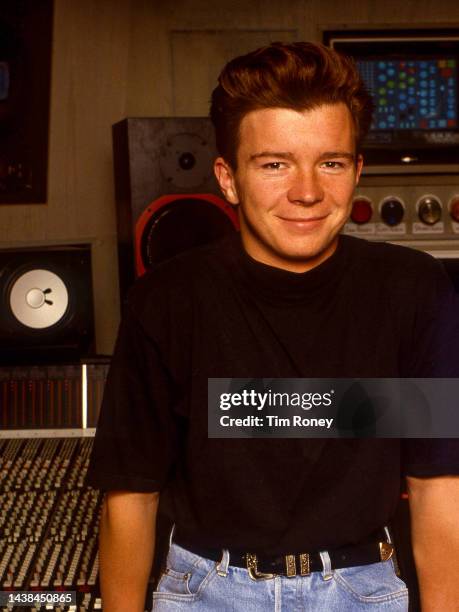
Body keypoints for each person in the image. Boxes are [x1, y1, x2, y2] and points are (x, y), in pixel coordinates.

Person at [86, 42, 459, 611]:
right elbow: (131, 494)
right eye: (274, 164)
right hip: (206, 591)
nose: (307, 191)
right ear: (228, 178)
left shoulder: (414, 290)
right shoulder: (167, 299)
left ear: (357, 170)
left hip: (362, 590)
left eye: (330, 162)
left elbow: (439, 490)